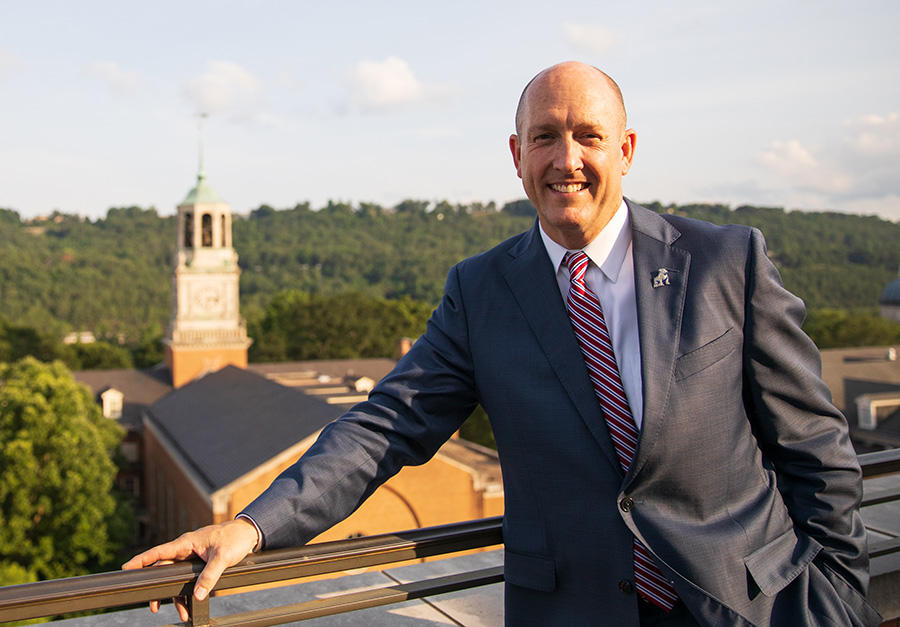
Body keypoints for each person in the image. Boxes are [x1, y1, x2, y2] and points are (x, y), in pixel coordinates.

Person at [124, 62, 882, 626]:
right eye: (544, 138)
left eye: (588, 136)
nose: (567, 159)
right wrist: (251, 525)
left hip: (757, 607)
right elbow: (385, 427)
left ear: (627, 147)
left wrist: (840, 594)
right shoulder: (482, 290)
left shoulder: (724, 262)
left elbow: (814, 444)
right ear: (516, 155)